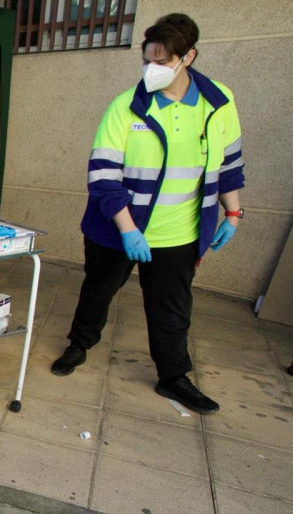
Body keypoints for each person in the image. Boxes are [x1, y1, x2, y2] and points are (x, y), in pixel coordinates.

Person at [51, 14, 246, 415]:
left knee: (172, 307)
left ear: (188, 57)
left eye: (161, 62)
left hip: (180, 232)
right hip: (118, 228)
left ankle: (173, 376)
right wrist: (127, 229)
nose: (151, 70)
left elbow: (230, 165)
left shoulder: (218, 103)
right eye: (147, 61)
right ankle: (79, 344)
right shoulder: (127, 106)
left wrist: (233, 213)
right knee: (98, 290)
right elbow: (103, 176)